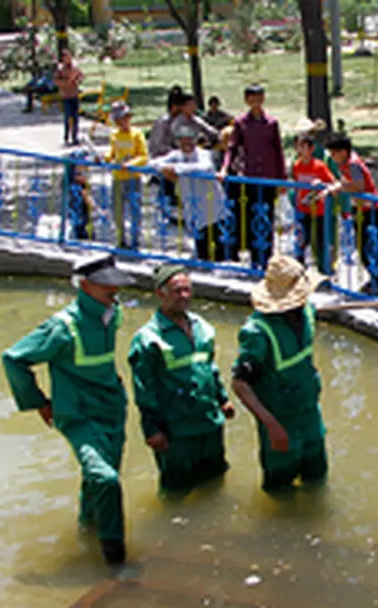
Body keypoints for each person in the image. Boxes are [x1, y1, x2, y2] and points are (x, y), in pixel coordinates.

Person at [2, 254, 140, 566]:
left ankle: (86, 534)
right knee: (105, 480)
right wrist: (38, 402)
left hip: (112, 411)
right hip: (79, 416)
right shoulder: (63, 327)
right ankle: (114, 557)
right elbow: (14, 358)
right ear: (86, 285)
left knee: (99, 483)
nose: (113, 292)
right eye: (107, 285)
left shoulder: (112, 313)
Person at [128, 266, 234, 496]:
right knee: (177, 490)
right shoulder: (148, 339)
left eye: (187, 290)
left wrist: (223, 399)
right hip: (177, 431)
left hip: (209, 423)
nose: (184, 296)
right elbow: (144, 389)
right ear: (160, 293)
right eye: (177, 291)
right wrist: (152, 430)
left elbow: (210, 367)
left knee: (214, 482)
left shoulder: (202, 327)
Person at [232, 255, 327, 492]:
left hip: (310, 413)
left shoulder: (306, 313)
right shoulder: (257, 333)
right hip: (280, 419)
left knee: (317, 479)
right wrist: (271, 424)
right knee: (280, 488)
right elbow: (240, 384)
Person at [219, 84, 285, 269]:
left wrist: (282, 178)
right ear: (246, 100)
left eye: (259, 98)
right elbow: (232, 148)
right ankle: (249, 254)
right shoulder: (241, 123)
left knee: (266, 214)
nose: (256, 103)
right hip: (249, 175)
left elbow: (278, 151)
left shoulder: (271, 123)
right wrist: (225, 168)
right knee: (249, 213)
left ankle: (265, 257)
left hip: (268, 176)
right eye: (252, 99)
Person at [152, 122, 229, 263]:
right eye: (182, 140)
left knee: (217, 241)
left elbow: (205, 167)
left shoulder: (204, 154)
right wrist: (165, 168)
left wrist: (177, 169)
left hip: (211, 204)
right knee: (199, 240)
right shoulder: (176, 155)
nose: (186, 144)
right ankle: (202, 262)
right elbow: (154, 163)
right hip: (192, 203)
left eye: (190, 140)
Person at [326, 133, 378, 296]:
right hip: (358, 208)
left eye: (335, 153)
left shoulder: (353, 164)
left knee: (372, 245)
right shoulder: (343, 163)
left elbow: (359, 186)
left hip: (370, 209)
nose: (333, 157)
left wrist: (339, 188)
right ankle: (373, 278)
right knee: (362, 244)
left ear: (344, 151)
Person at [289, 129, 340, 277]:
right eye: (298, 146)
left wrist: (321, 183)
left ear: (311, 149)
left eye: (304, 147)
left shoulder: (319, 166)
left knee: (320, 240)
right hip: (302, 208)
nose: (301, 150)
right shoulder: (296, 165)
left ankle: (324, 269)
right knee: (301, 239)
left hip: (318, 210)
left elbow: (332, 182)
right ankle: (299, 269)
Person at [104, 100, 148, 250]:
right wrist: (105, 158)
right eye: (121, 118)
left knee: (135, 209)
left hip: (133, 177)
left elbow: (143, 156)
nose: (124, 121)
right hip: (118, 177)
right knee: (118, 210)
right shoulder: (114, 135)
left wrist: (130, 164)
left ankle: (135, 239)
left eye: (127, 117)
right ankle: (121, 238)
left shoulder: (137, 134)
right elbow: (112, 153)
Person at [53, 48, 83, 147]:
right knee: (67, 116)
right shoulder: (60, 69)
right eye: (66, 57)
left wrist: (77, 80)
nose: (68, 59)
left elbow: (80, 76)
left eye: (69, 56)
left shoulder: (75, 67)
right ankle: (66, 137)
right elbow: (57, 81)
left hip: (74, 94)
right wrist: (66, 83)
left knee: (75, 117)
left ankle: (75, 137)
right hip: (66, 95)